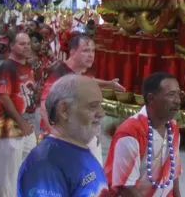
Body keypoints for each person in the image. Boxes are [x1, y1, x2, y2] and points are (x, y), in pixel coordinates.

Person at [16, 75, 106, 197]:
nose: (102, 113)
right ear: (64, 110)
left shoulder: (77, 150)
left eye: (100, 105)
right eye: (93, 106)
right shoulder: (46, 165)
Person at [39, 33, 124, 162]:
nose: (91, 55)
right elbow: (44, 105)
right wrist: (57, 135)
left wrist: (109, 84)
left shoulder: (81, 72)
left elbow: (88, 81)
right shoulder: (59, 74)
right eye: (85, 51)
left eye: (93, 51)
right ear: (72, 52)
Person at [105, 72, 183, 197]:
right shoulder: (130, 132)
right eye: (171, 95)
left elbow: (173, 175)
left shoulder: (173, 127)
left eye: (179, 94)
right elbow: (126, 188)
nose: (178, 101)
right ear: (151, 98)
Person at [0, 32, 37, 197]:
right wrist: (21, 122)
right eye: (21, 44)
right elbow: (4, 97)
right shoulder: (6, 67)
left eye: (28, 43)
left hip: (26, 123)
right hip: (8, 124)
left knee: (27, 168)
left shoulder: (27, 66)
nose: (26, 47)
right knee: (8, 175)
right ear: (12, 45)